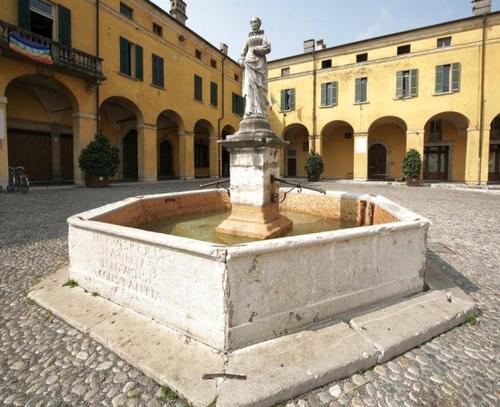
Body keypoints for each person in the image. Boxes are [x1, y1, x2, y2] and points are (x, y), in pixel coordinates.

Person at [239, 17, 271, 119]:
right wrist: (240, 60)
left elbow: (268, 48)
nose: (253, 24)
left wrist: (258, 49)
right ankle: (249, 109)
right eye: (252, 22)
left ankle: (260, 110)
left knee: (259, 86)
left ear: (260, 23)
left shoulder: (263, 36)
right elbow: (242, 52)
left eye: (255, 22)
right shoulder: (248, 38)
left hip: (260, 62)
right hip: (248, 62)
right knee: (249, 86)